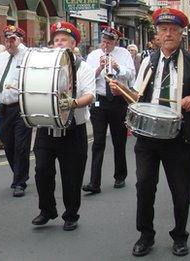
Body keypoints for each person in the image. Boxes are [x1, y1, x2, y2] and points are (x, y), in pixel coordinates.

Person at [110, 8, 190, 256]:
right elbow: (137, 97)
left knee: (180, 190)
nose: (168, 34)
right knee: (144, 187)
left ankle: (180, 236)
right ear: (157, 34)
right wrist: (121, 90)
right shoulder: (149, 61)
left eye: (173, 30)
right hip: (148, 138)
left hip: (178, 137)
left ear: (181, 34)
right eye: (163, 30)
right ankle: (145, 236)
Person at [31, 21, 95, 231]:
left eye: (63, 40)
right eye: (55, 40)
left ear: (73, 43)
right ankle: (47, 210)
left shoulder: (82, 67)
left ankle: (71, 214)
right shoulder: (44, 65)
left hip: (73, 128)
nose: (58, 44)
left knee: (72, 176)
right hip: (46, 127)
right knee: (41, 171)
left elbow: (90, 94)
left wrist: (73, 102)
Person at [83, 26, 135, 193]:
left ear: (116, 42)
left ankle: (120, 176)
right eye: (104, 42)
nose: (105, 45)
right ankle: (94, 182)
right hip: (100, 102)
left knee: (119, 140)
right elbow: (88, 77)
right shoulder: (93, 55)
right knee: (98, 142)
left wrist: (117, 67)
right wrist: (99, 68)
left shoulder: (124, 54)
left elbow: (131, 76)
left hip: (118, 101)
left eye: (109, 42)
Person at [0, 25, 32, 197]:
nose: (9, 43)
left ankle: (20, 181)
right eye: (7, 40)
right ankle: (18, 173)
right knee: (8, 144)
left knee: (21, 146)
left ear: (20, 40)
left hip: (22, 107)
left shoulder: (27, 56)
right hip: (4, 107)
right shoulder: (0, 59)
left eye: (13, 40)